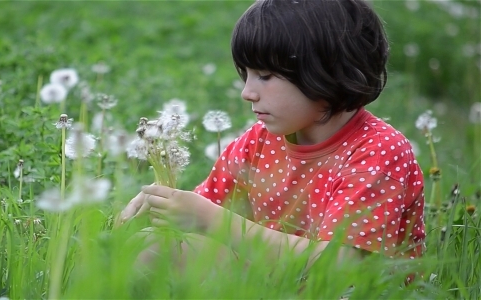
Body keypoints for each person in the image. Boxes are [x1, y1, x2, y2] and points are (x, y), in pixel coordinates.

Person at [120, 0, 426, 284]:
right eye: (247, 75)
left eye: (265, 75)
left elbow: (342, 267)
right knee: (154, 242)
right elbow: (206, 211)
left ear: (329, 69)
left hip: (343, 289)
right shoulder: (261, 140)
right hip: (281, 280)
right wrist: (166, 207)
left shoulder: (377, 150)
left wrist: (210, 219)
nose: (247, 92)